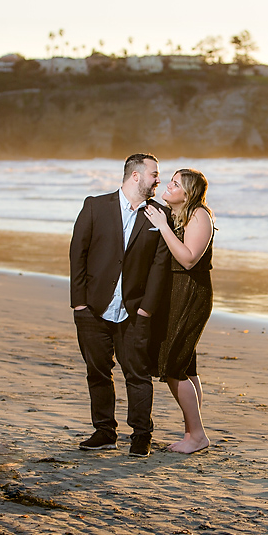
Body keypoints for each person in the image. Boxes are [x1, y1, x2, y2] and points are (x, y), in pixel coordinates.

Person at [69, 153, 172, 458]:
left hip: (135, 310)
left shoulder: (159, 215)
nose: (158, 180)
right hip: (93, 308)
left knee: (137, 373)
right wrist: (79, 304)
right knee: (97, 371)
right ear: (136, 176)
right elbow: (79, 254)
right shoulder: (95, 206)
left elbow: (159, 266)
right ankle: (104, 432)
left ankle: (141, 435)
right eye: (154, 174)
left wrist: (147, 309)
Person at [144, 168, 214, 454]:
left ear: (189, 194)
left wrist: (162, 226)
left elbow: (187, 260)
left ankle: (197, 435)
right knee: (186, 365)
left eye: (176, 184)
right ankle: (192, 431)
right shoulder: (174, 214)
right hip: (174, 295)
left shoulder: (199, 215)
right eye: (170, 181)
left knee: (173, 366)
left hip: (191, 294)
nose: (168, 186)